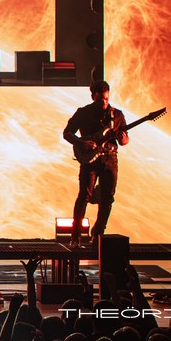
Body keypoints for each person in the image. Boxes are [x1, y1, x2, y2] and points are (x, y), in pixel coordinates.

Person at [63, 80, 129, 246]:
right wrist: (82, 143)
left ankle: (98, 236)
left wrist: (123, 139)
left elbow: (125, 140)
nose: (104, 102)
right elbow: (67, 133)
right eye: (100, 100)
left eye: (106, 99)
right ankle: (75, 237)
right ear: (93, 97)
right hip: (90, 161)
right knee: (84, 196)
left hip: (110, 159)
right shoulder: (83, 113)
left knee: (108, 199)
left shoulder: (117, 115)